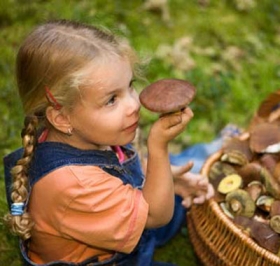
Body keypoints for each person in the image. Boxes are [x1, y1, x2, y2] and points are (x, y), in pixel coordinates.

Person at [3, 19, 215, 266]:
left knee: (197, 171)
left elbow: (124, 165)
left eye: (130, 87)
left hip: (125, 212)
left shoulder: (89, 133)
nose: (134, 105)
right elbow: (157, 215)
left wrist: (170, 179)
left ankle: (219, 151)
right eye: (112, 99)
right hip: (117, 257)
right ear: (61, 117)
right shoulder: (73, 186)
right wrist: (159, 148)